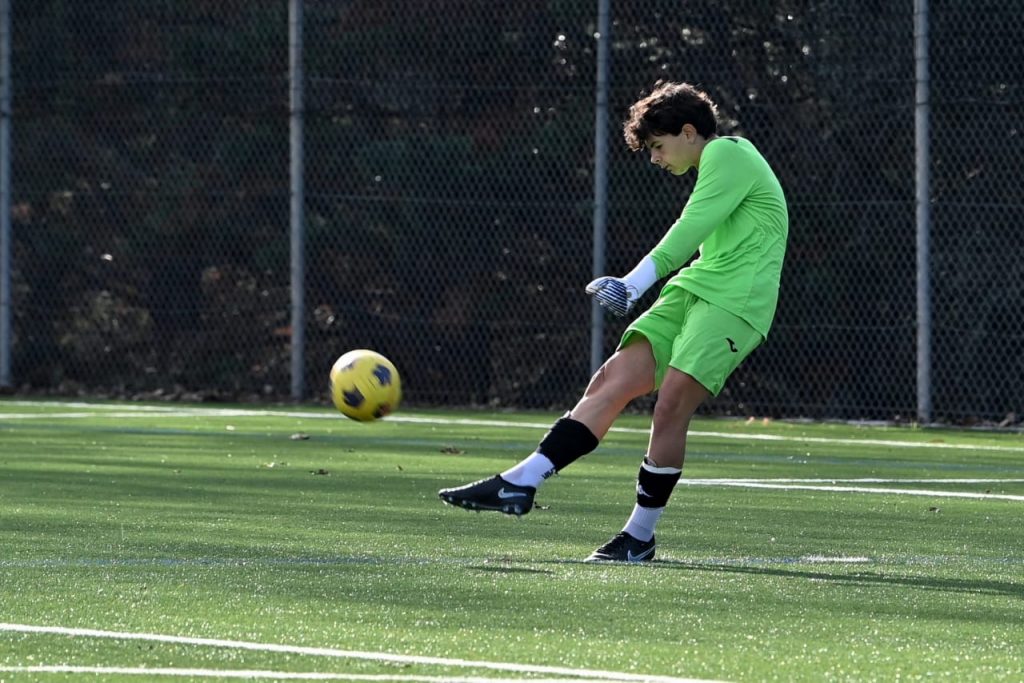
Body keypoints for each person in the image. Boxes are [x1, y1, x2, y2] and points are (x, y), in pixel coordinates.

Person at [438, 81, 789, 562]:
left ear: (689, 132)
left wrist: (633, 283)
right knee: (612, 379)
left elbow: (689, 228)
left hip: (736, 301)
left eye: (658, 146)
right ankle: (520, 482)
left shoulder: (729, 152)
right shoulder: (715, 164)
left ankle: (639, 537)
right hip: (695, 287)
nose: (655, 158)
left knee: (670, 405)